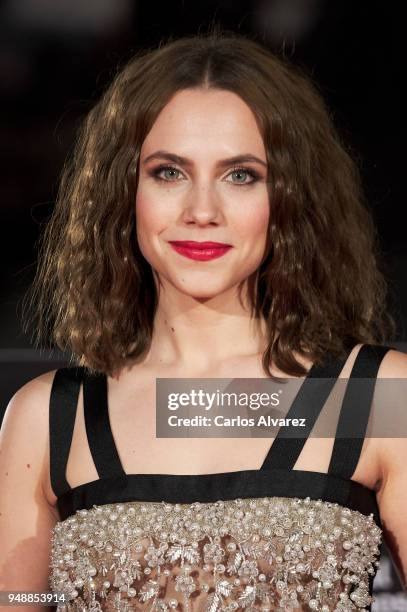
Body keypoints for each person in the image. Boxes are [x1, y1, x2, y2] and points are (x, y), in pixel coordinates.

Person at [0, 29, 406, 612]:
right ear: (123, 190)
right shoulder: (46, 417)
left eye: (241, 175)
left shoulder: (378, 398)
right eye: (169, 172)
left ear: (290, 198)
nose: (202, 212)